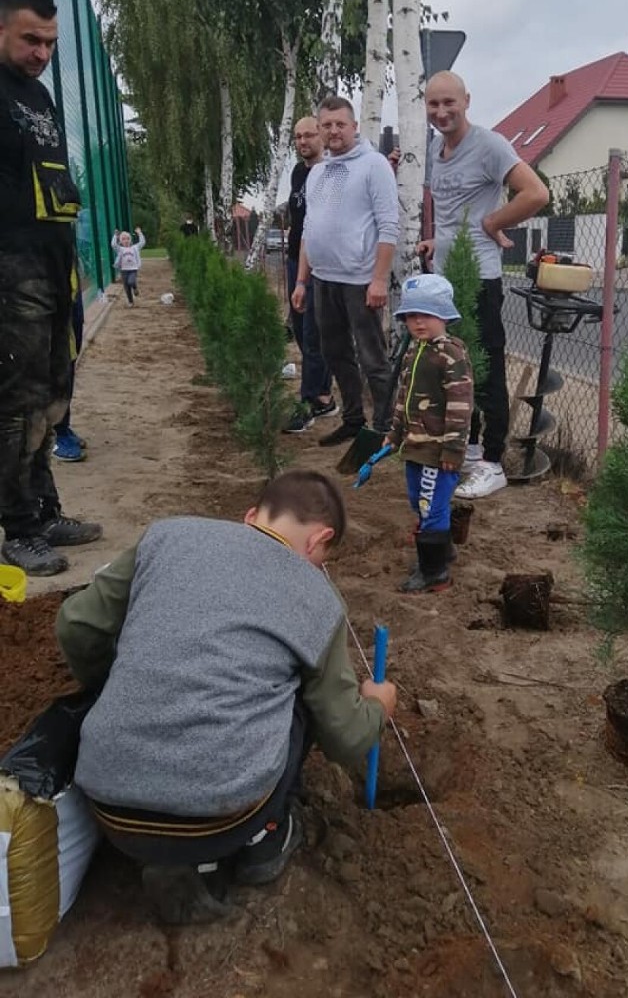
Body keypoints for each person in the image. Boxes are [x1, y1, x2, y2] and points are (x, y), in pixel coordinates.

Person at [57, 469, 398, 926]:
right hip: (221, 817)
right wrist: (377, 707)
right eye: (323, 559)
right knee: (299, 698)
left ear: (251, 516)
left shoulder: (165, 537)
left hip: (107, 802)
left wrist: (112, 681)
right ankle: (264, 839)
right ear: (320, 540)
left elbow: (77, 626)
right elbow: (344, 737)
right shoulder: (317, 595)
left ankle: (177, 857)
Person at [0, 0, 102, 576]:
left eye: (50, 42)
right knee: (15, 403)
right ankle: (18, 528)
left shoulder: (37, 97)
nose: (42, 52)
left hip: (53, 265)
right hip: (9, 271)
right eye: (30, 40)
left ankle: (44, 510)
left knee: (51, 395)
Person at [420, 71, 549, 499]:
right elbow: (455, 210)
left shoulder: (490, 145)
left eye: (448, 103)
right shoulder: (436, 150)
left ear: (466, 101)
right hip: (444, 279)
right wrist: (437, 241)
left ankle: (493, 461)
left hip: (478, 277)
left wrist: (492, 222)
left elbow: (536, 193)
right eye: (433, 104)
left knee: (487, 369)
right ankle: (471, 450)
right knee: (455, 370)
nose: (441, 112)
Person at [291, 96, 399, 447]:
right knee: (335, 354)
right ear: (320, 130)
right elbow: (309, 229)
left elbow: (388, 227)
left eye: (340, 124)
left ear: (354, 127)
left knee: (372, 358)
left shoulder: (374, 165)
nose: (334, 131)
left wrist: (379, 279)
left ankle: (385, 427)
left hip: (360, 282)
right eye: (327, 125)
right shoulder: (318, 172)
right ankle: (353, 419)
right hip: (323, 280)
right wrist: (302, 281)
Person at [384, 275, 473, 593]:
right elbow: (403, 399)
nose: (417, 321)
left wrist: (453, 449)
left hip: (437, 451)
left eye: (426, 314)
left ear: (445, 315)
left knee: (429, 506)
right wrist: (394, 434)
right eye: (410, 315)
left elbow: (461, 406)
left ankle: (435, 573)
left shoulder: (451, 355)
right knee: (419, 501)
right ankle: (442, 551)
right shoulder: (413, 352)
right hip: (415, 446)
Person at [282, 116, 337, 433]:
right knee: (302, 331)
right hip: (295, 258)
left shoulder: (330, 172)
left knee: (315, 334)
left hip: (319, 263)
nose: (303, 141)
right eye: (298, 136)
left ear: (322, 136)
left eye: (309, 135)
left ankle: (312, 401)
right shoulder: (298, 172)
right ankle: (325, 393)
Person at [52, 257, 87, 462]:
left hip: (66, 274)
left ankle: (61, 426)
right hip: (37, 276)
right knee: (57, 362)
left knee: (69, 357)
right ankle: (53, 432)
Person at [112, 227, 145, 305]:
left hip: (133, 269)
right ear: (120, 241)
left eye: (127, 239)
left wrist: (139, 233)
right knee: (126, 287)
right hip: (124, 270)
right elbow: (113, 245)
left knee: (131, 281)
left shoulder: (134, 248)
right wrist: (115, 236)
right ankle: (130, 301)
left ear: (130, 240)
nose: (126, 241)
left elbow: (142, 242)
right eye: (123, 239)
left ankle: (135, 287)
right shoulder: (120, 249)